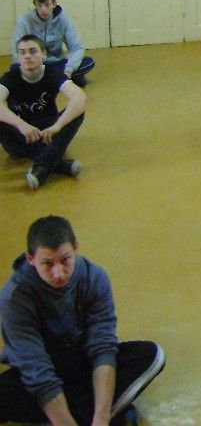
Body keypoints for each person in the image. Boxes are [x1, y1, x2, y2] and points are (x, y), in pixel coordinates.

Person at [0, 215, 165, 426]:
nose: (58, 273)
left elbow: (102, 347)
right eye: (47, 264)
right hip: (41, 370)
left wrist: (101, 418)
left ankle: (86, 412)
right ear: (30, 259)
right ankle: (112, 410)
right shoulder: (14, 297)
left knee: (153, 355)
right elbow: (36, 369)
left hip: (82, 361)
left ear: (76, 248)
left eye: (65, 260)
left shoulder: (94, 277)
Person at [0, 34, 86, 189]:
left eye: (33, 51)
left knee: (78, 111)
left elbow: (79, 97)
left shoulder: (52, 74)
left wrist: (58, 126)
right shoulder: (11, 77)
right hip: (21, 137)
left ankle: (42, 166)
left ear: (44, 54)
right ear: (18, 57)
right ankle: (55, 164)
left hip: (48, 134)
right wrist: (20, 124)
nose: (27, 56)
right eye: (22, 52)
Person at [11, 0, 95, 87]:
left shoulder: (64, 19)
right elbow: (17, 51)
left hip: (58, 64)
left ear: (54, 4)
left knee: (88, 62)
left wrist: (68, 71)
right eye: (39, 5)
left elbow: (77, 47)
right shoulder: (23, 21)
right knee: (14, 69)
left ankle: (49, 80)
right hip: (34, 65)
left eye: (47, 5)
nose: (43, 10)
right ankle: (60, 80)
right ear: (34, 5)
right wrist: (28, 69)